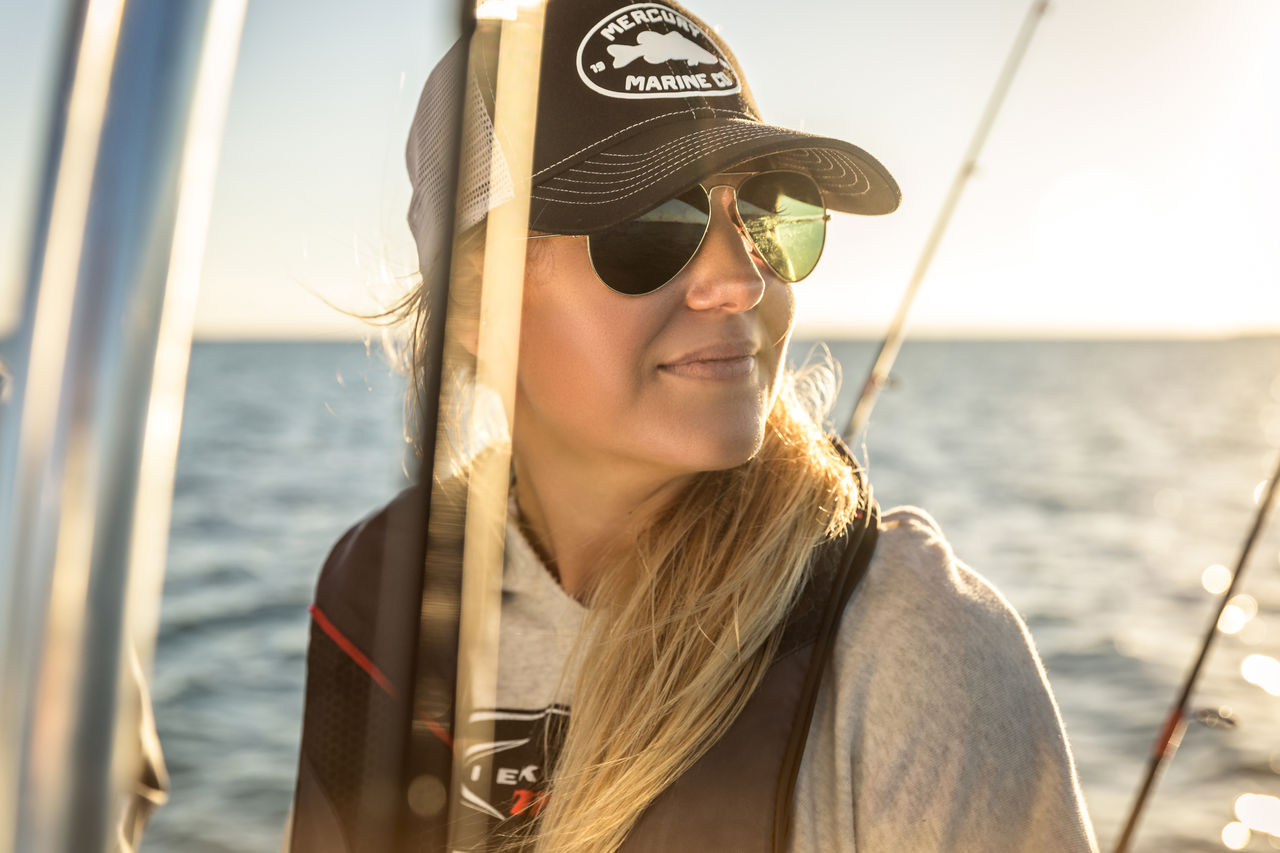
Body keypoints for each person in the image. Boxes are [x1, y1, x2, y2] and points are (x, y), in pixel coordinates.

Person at [289, 1, 1099, 851]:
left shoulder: (918, 651)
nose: (741, 280)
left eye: (765, 212)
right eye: (652, 222)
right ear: (473, 304)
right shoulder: (379, 601)